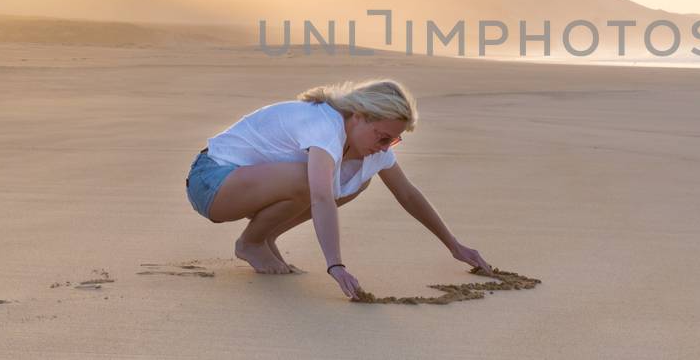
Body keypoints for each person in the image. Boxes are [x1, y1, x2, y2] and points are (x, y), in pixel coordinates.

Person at [185, 77, 490, 298]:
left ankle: (265, 236)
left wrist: (454, 246)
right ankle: (251, 243)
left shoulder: (369, 144)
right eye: (382, 136)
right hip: (211, 181)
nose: (385, 147)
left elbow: (407, 194)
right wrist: (336, 266)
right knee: (314, 180)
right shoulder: (325, 127)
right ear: (358, 117)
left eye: (393, 140)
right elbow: (319, 196)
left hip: (246, 185)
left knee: (355, 181)